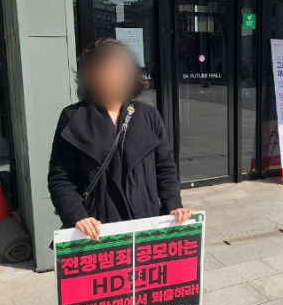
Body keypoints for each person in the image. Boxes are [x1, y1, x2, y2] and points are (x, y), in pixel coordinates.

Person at [48, 38, 193, 240]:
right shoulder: (73, 118)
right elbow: (61, 179)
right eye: (105, 70)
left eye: (119, 71)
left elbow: (165, 168)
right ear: (90, 75)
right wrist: (77, 216)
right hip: (98, 231)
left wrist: (173, 205)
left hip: (146, 224)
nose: (112, 77)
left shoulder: (148, 116)